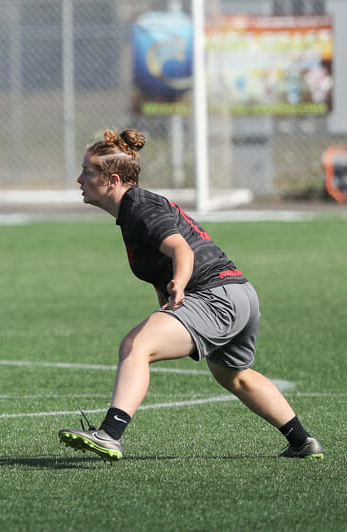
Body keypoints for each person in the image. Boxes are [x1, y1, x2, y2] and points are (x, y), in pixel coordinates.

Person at [58, 129, 323, 462]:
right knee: (233, 376)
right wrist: (167, 307)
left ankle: (109, 435)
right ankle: (303, 442)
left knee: (135, 346)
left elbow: (180, 249)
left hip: (214, 297)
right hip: (239, 295)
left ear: (112, 180)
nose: (79, 178)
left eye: (88, 171)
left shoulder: (138, 207)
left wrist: (180, 284)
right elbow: (160, 270)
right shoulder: (133, 211)